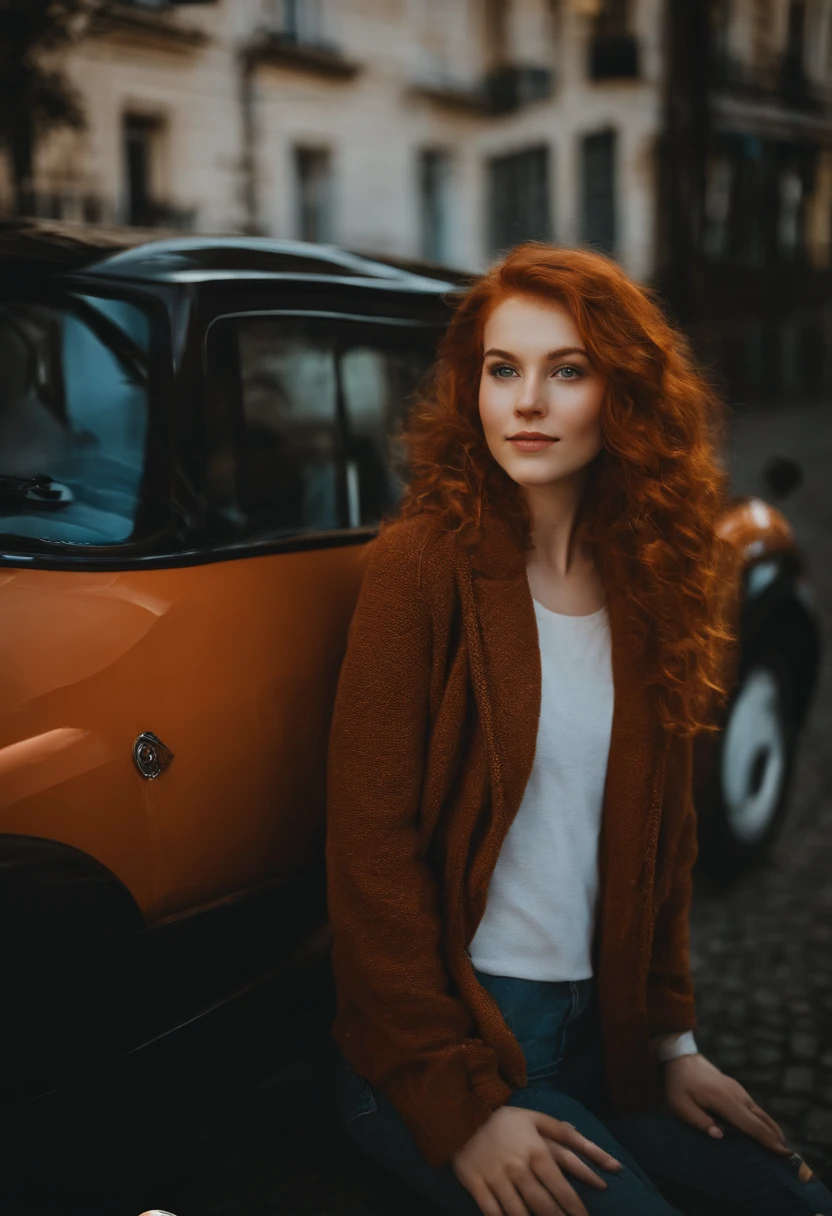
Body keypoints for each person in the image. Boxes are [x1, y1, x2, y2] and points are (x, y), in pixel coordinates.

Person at [324, 243, 832, 1216]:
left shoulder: (650, 580)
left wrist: (672, 1047)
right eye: (501, 368)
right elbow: (370, 862)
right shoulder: (419, 569)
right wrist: (462, 1106)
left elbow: (665, 841)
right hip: (439, 1049)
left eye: (566, 369)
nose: (526, 400)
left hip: (605, 1037)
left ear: (623, 393)